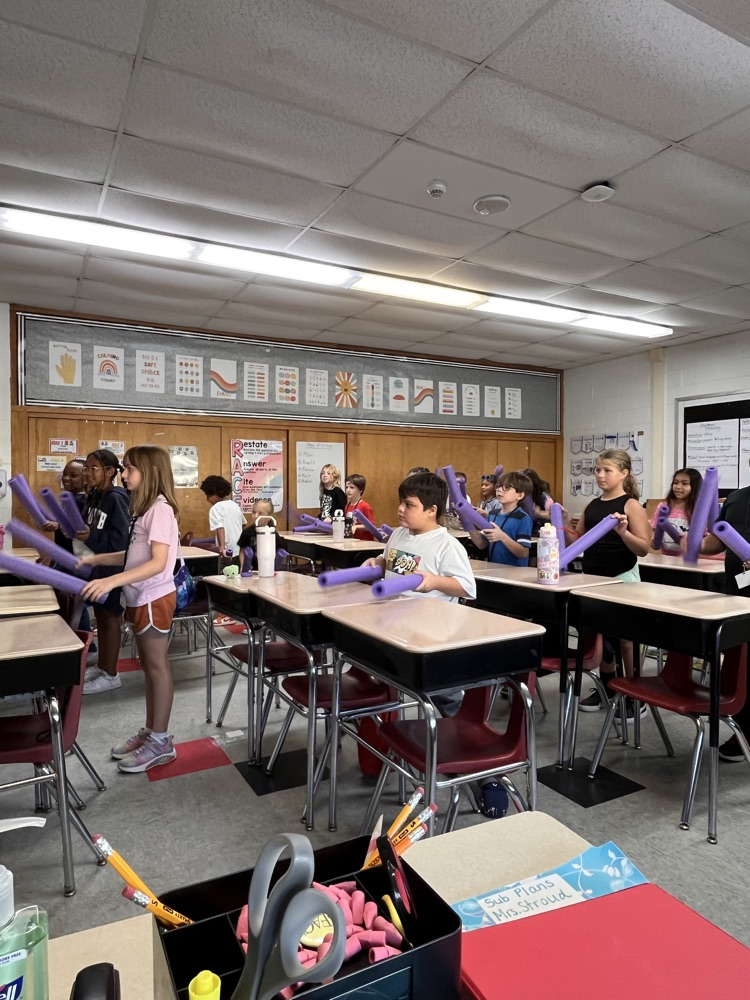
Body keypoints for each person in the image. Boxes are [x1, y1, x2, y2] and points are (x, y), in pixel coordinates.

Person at [80, 444, 180, 773]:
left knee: (156, 668)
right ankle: (152, 731)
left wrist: (111, 582)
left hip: (154, 599)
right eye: (123, 468)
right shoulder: (143, 509)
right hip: (139, 598)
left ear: (149, 473)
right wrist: (97, 559)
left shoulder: (161, 510)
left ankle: (161, 741)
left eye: (129, 469)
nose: (124, 475)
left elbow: (157, 563)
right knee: (150, 669)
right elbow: (130, 555)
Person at [567, 449, 650, 716]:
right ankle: (607, 689)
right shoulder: (593, 505)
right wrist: (557, 522)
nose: (600, 475)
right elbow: (577, 542)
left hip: (622, 577)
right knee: (601, 637)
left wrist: (623, 532)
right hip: (594, 579)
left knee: (626, 640)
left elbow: (643, 548)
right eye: (598, 470)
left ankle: (635, 695)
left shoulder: (631, 505)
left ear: (624, 473)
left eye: (607, 470)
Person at [695, 480, 750, 761]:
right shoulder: (737, 498)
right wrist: (697, 544)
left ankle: (744, 731)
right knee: (739, 659)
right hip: (736, 591)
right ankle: (740, 724)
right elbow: (719, 539)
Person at [78, 449, 131, 695]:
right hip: (98, 567)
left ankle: (111, 673)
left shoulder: (116, 498)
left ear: (110, 472)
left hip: (112, 570)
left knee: (111, 620)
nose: (88, 473)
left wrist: (92, 536)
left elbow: (121, 541)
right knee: (101, 617)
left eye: (94, 468)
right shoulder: (95, 496)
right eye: (86, 468)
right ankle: (102, 666)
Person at [469, 471, 533, 566]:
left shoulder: (523, 518)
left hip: (515, 574)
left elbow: (523, 553)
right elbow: (482, 544)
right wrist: (468, 523)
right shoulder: (492, 514)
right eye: (498, 486)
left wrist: (502, 536)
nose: (499, 490)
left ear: (520, 495)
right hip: (494, 571)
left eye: (506, 487)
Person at [650, 468, 702, 554]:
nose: (678, 487)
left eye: (684, 483)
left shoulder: (699, 509)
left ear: (695, 486)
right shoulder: (663, 506)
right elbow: (655, 529)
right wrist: (654, 539)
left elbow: (704, 536)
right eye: (675, 482)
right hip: (667, 557)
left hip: (691, 559)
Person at [199, 475, 246, 556]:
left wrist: (222, 548)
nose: (207, 499)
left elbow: (220, 528)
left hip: (227, 552)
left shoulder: (215, 508)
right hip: (239, 550)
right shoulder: (235, 505)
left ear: (215, 493)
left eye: (208, 495)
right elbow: (243, 524)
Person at [237, 498, 277, 572]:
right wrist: (243, 566)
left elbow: (278, 551)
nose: (256, 516)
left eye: (260, 513)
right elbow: (242, 551)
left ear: (269, 516)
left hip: (268, 569)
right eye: (254, 512)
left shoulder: (272, 533)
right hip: (251, 570)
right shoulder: (247, 532)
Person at [520, 468, 554, 533]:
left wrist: (539, 513)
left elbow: (554, 515)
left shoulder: (544, 497)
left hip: (542, 532)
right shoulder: (520, 496)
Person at [344, 474, 376, 540]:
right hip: (353, 541)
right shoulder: (347, 506)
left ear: (361, 490)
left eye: (352, 487)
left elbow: (372, 526)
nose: (348, 490)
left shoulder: (365, 506)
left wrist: (356, 527)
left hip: (365, 543)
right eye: (347, 487)